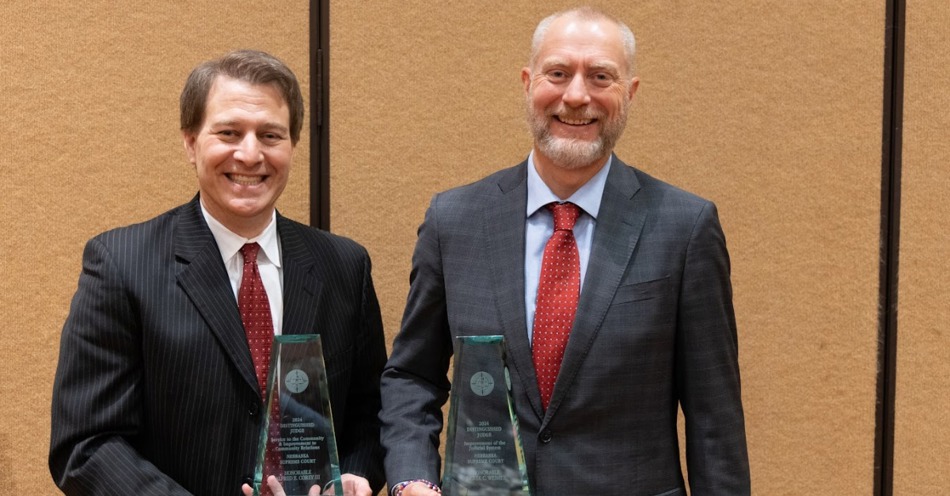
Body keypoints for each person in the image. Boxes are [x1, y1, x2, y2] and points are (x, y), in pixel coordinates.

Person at [380, 7, 750, 496]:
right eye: (558, 73)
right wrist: (412, 479)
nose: (577, 96)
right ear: (528, 82)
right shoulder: (456, 221)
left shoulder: (685, 228)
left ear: (630, 93)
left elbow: (714, 421)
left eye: (601, 77)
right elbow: (412, 377)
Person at [50, 50, 387, 496]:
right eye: (229, 132)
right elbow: (86, 444)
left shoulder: (345, 266)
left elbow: (373, 416)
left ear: (292, 145)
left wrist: (358, 476)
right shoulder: (120, 264)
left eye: (270, 135)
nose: (250, 154)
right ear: (190, 143)